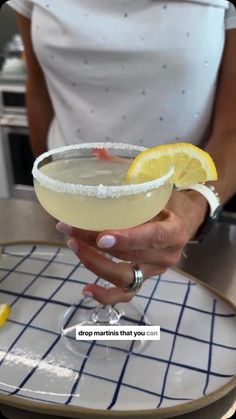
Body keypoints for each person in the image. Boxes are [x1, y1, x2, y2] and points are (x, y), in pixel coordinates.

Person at [7, 0, 236, 305]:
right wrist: (53, 184)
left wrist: (197, 204)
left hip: (179, 218)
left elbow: (232, 126)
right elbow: (38, 88)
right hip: (69, 208)